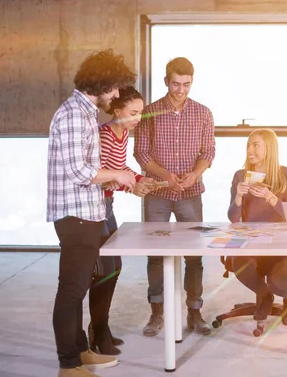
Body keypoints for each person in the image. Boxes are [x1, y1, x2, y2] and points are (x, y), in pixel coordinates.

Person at [47, 49, 136, 377]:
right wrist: (117, 175)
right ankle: (68, 365)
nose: (115, 95)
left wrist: (121, 177)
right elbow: (78, 172)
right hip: (75, 215)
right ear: (100, 82)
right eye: (113, 87)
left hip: (87, 212)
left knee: (79, 285)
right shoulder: (73, 114)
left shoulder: (84, 113)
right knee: (71, 290)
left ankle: (81, 351)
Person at [134, 57, 216, 337]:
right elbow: (141, 154)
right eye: (176, 84)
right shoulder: (150, 112)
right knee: (156, 254)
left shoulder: (203, 113)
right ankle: (157, 313)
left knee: (194, 255)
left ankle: (195, 312)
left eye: (187, 84)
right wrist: (167, 177)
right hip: (158, 193)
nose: (181, 90)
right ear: (166, 81)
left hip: (190, 194)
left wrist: (194, 174)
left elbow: (208, 152)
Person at [88, 86, 155, 355]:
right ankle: (98, 331)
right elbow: (103, 175)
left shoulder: (122, 134)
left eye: (141, 113)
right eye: (133, 112)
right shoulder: (104, 136)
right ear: (117, 111)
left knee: (114, 267)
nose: (138, 118)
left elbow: (121, 169)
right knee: (104, 271)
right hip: (94, 207)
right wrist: (131, 186)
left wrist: (139, 179)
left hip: (107, 205)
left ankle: (100, 327)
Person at [227, 129, 287, 325]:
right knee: (239, 265)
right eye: (248, 145)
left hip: (281, 242)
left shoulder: (286, 174)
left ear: (269, 148)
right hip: (252, 240)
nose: (250, 150)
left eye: (255, 145)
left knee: (278, 280)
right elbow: (233, 218)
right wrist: (238, 197)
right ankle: (265, 295)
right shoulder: (241, 175)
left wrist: (271, 198)